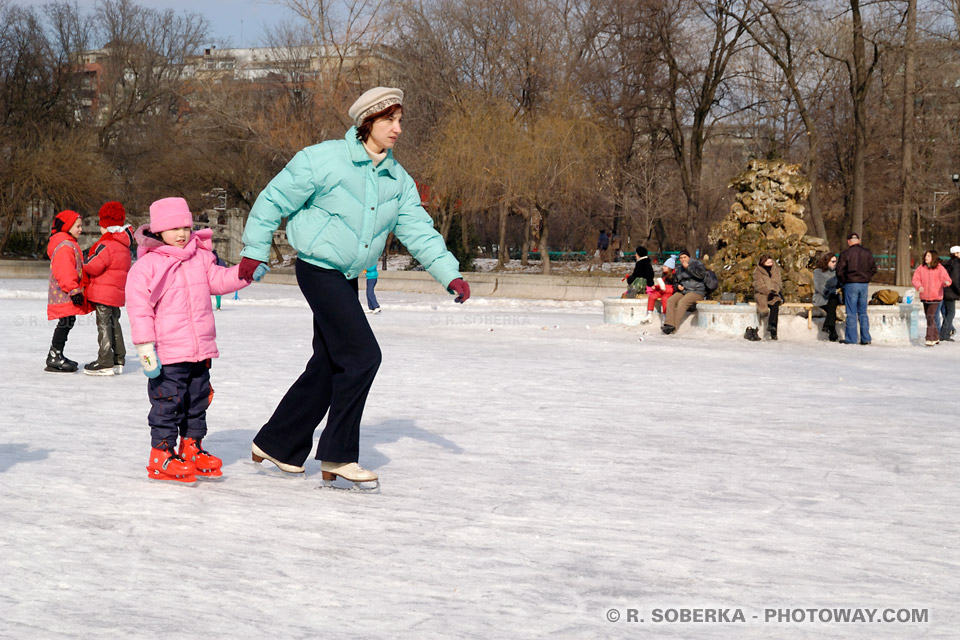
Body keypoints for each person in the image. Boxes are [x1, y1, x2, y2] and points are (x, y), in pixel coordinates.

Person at [238, 86, 470, 489]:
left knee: (329, 364)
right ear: (367, 122)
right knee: (363, 356)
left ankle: (276, 442)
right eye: (389, 120)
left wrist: (448, 271)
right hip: (317, 268)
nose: (398, 129)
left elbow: (417, 229)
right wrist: (255, 250)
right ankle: (338, 455)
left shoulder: (396, 178)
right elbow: (273, 199)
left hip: (347, 277)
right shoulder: (322, 159)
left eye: (400, 120)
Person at [125, 197, 252, 483]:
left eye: (185, 226)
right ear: (158, 232)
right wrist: (146, 351)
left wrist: (244, 273)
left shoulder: (200, 257)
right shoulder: (146, 267)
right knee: (167, 404)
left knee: (197, 403)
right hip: (167, 354)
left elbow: (219, 281)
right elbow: (139, 311)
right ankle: (161, 453)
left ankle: (192, 447)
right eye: (174, 228)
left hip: (199, 350)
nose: (182, 233)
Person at [82, 201, 133, 376]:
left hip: (103, 293)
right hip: (117, 293)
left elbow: (93, 266)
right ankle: (119, 358)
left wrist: (83, 260)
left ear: (107, 226)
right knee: (114, 323)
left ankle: (104, 360)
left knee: (103, 324)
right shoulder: (124, 246)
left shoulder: (106, 245)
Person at [45, 210, 92, 372]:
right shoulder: (65, 246)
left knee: (67, 322)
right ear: (67, 227)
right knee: (65, 323)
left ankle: (56, 353)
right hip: (65, 294)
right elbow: (64, 271)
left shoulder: (68, 243)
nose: (81, 229)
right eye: (77, 226)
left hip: (66, 293)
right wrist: (74, 291)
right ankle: (54, 355)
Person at [836, 232, 877, 345]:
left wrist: (845, 280)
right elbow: (874, 268)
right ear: (858, 240)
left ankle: (851, 338)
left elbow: (839, 271)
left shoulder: (846, 254)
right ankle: (866, 338)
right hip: (864, 284)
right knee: (863, 312)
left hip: (851, 284)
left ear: (848, 241)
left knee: (851, 312)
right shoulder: (867, 253)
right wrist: (867, 277)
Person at [911, 249, 952, 347]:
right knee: (929, 317)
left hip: (936, 296)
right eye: (925, 256)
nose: (926, 258)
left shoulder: (939, 268)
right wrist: (919, 286)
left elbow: (946, 278)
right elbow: (915, 279)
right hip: (925, 296)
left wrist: (946, 282)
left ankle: (930, 338)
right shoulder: (921, 268)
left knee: (930, 316)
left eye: (928, 256)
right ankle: (936, 336)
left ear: (933, 257)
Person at [663, 249, 705, 335]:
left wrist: (688, 267)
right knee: (671, 300)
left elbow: (701, 275)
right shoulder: (679, 268)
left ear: (689, 257)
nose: (683, 259)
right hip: (684, 291)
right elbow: (675, 281)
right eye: (681, 258)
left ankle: (673, 328)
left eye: (685, 257)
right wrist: (677, 286)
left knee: (682, 302)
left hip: (696, 291)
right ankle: (669, 324)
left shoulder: (697, 264)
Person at [752, 254, 784, 340]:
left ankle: (772, 327)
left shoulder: (775, 270)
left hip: (773, 293)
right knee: (764, 308)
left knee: (775, 303)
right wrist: (767, 291)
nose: (771, 263)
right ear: (763, 263)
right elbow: (758, 285)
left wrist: (773, 291)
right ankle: (771, 328)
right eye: (768, 262)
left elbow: (778, 282)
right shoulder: (757, 272)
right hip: (762, 294)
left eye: (771, 261)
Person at [812, 252, 841, 342]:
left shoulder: (837, 272)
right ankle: (832, 332)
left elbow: (840, 284)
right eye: (832, 261)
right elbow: (819, 286)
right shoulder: (818, 272)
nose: (834, 263)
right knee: (831, 309)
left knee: (833, 301)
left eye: (836, 261)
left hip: (834, 296)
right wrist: (828, 291)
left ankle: (828, 327)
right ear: (826, 261)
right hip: (822, 297)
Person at [644, 256, 675, 323]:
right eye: (663, 266)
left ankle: (665, 315)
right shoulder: (664, 274)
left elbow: (673, 287)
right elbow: (662, 284)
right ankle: (649, 313)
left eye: (665, 266)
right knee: (652, 296)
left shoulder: (673, 276)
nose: (663, 267)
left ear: (670, 268)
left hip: (668, 292)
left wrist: (666, 289)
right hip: (661, 291)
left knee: (664, 299)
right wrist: (656, 287)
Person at [940, 245, 960, 342]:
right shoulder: (956, 264)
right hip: (951, 291)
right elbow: (955, 280)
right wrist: (958, 291)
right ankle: (944, 334)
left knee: (947, 312)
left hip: (944, 290)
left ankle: (945, 333)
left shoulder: (946, 263)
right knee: (951, 313)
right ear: (956, 253)